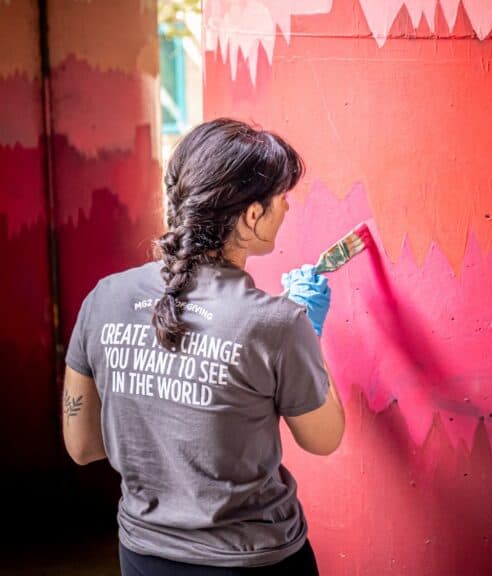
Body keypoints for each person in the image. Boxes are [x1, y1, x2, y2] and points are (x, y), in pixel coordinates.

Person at [62, 118, 344, 575]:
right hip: (254, 562)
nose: (287, 207)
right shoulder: (277, 323)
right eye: (281, 197)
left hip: (143, 556)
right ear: (252, 215)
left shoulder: (103, 298)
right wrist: (308, 333)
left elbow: (82, 446)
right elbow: (323, 438)